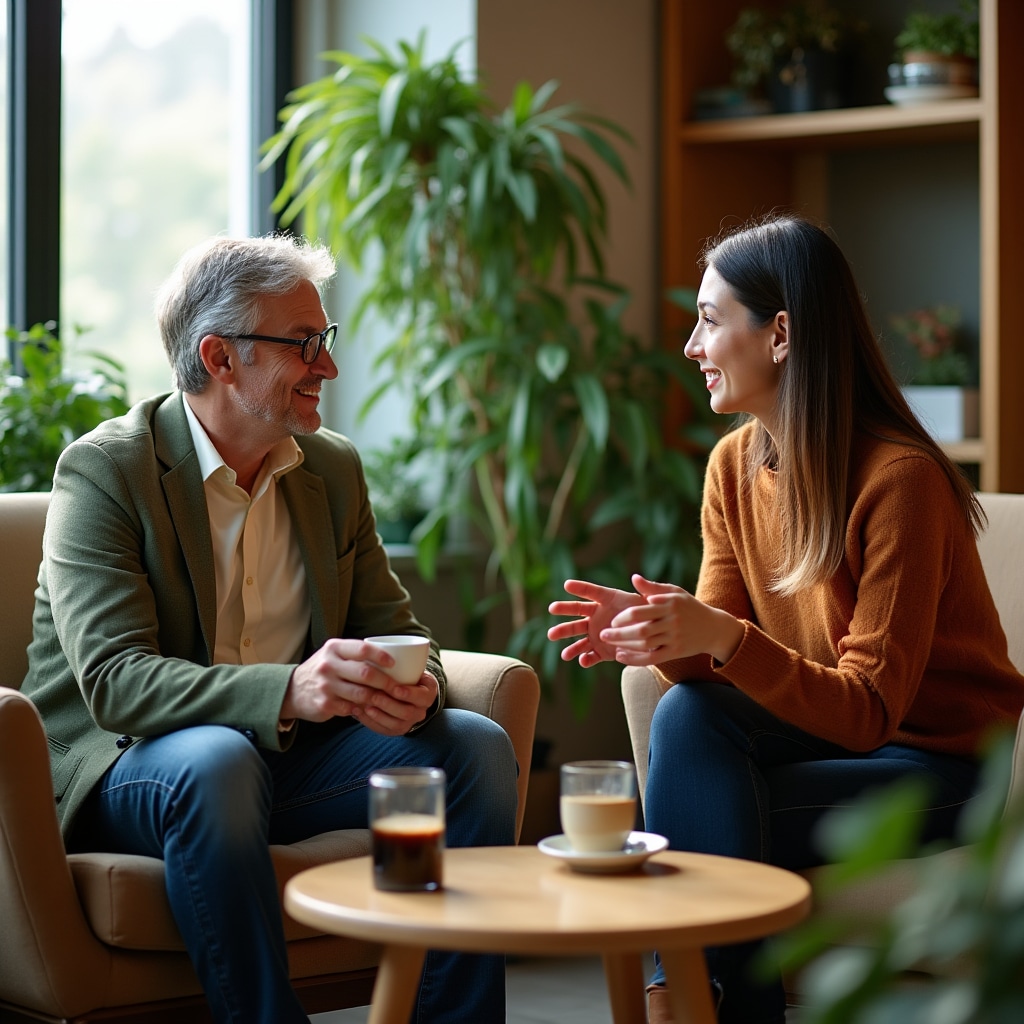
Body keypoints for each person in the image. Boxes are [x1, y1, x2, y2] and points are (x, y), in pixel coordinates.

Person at [21, 234, 519, 1024]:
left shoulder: (331, 469)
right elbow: (116, 682)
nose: (327, 366)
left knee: (474, 749)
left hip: (284, 764)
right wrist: (293, 688)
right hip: (130, 770)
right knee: (216, 760)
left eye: (326, 340)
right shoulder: (105, 471)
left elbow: (395, 627)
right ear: (220, 359)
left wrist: (411, 692)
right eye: (304, 344)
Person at [547, 214, 1024, 1024]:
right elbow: (717, 668)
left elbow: (871, 711)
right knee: (692, 717)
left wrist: (722, 638)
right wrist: (668, 632)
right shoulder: (732, 466)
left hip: (936, 762)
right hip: (810, 729)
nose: (693, 347)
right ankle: (709, 1005)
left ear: (780, 334)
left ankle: (684, 1003)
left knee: (702, 809)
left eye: (708, 319)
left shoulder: (900, 480)